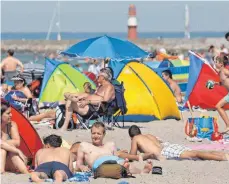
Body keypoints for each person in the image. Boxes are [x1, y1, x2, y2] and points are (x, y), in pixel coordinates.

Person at [76, 122, 153, 175]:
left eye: (99, 133)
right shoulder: (84, 145)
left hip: (115, 160)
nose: (96, 136)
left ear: (104, 135)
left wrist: (125, 156)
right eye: (93, 133)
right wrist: (81, 166)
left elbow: (118, 156)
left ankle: (141, 171)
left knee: (123, 163)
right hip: (99, 165)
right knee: (114, 167)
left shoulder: (110, 145)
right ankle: (123, 169)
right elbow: (78, 164)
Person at [128, 125, 229, 161]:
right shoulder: (148, 135)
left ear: (131, 136)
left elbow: (132, 155)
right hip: (168, 145)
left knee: (196, 154)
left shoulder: (135, 139)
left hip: (165, 151)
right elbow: (158, 142)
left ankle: (223, 158)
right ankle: (223, 154)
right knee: (196, 152)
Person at [1, 101, 28, 174]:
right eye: (8, 113)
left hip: (9, 160)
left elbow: (17, 142)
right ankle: (1, 172)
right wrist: (17, 150)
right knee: (3, 150)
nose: (11, 115)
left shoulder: (12, 125)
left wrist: (4, 144)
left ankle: (26, 174)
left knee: (8, 148)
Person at [212, 56, 229, 133]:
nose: (215, 63)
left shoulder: (225, 71)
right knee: (218, 106)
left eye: (216, 62)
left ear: (221, 64)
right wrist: (215, 83)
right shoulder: (220, 72)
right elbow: (223, 82)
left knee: (218, 106)